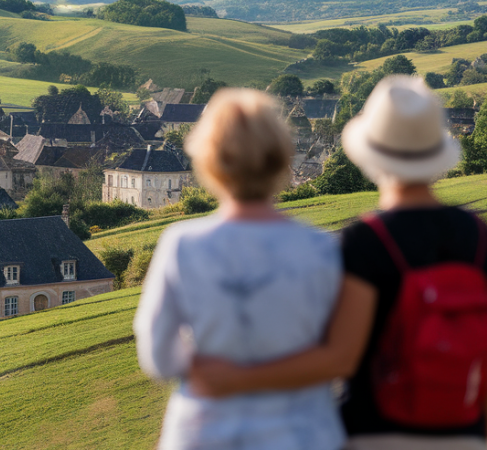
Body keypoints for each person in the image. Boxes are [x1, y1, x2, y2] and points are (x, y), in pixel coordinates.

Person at [188, 75, 487, 450]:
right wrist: (478, 435)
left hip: (374, 432)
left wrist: (237, 378)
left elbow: (340, 358)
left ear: (371, 154)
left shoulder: (366, 241)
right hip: (462, 434)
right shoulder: (482, 237)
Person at [134, 88, 345, 450]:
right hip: (301, 431)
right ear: (280, 159)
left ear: (208, 160)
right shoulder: (323, 248)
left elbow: (156, 354)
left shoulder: (183, 244)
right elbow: (340, 354)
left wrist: (211, 369)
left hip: (207, 430)